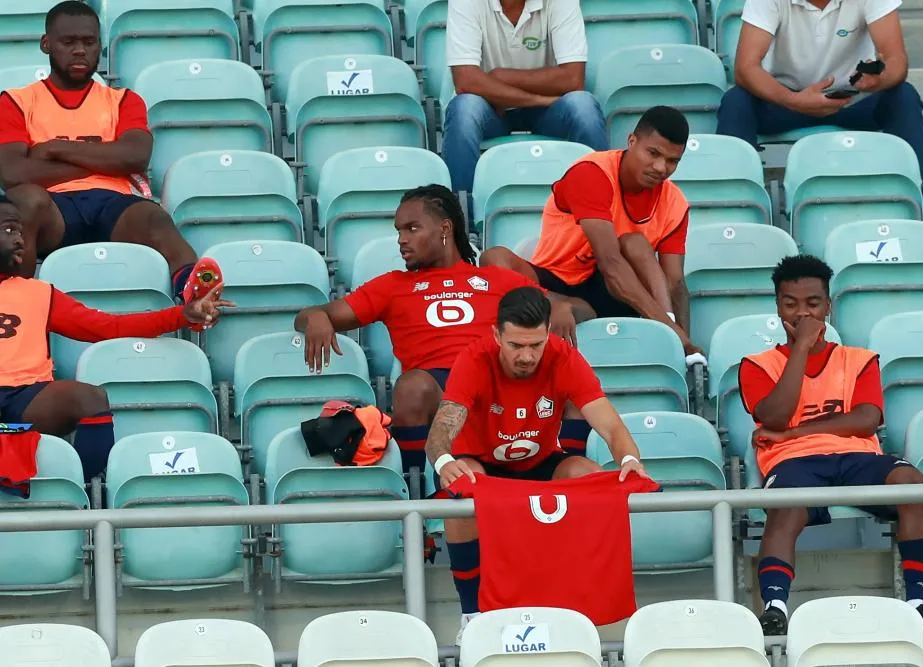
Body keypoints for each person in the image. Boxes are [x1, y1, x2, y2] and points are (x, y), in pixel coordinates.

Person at [294, 185, 586, 478]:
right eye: (399, 231)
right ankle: (417, 489)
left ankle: (567, 479)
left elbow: (585, 310)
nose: (402, 240)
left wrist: (561, 306)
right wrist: (317, 317)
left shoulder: (496, 279)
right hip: (439, 387)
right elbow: (308, 317)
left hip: (498, 383)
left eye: (412, 229)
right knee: (411, 387)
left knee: (568, 380)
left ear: (445, 228)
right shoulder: (393, 286)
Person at [425, 285, 648, 642]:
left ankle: (574, 606)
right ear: (497, 335)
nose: (527, 356)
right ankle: (471, 615)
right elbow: (441, 430)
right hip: (480, 464)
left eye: (535, 345)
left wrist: (630, 458)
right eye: (516, 346)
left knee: (588, 476)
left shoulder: (562, 356)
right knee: (465, 491)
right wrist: (444, 461)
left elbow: (610, 425)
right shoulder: (475, 358)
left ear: (547, 334)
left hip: (539, 462)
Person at [738, 254, 923, 635]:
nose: (802, 314)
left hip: (856, 455)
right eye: (791, 304)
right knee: (784, 509)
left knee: (913, 484)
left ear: (828, 307)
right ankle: (775, 609)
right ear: (777, 306)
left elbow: (866, 419)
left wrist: (798, 431)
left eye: (813, 304)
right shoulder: (757, 364)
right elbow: (775, 418)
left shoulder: (859, 359)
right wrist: (800, 349)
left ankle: (918, 603)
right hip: (793, 462)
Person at [0, 1, 221, 310]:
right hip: (53, 209)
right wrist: (100, 161)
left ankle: (194, 291)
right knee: (25, 201)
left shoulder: (124, 101)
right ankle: (14, 303)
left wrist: (53, 149)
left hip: (111, 204)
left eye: (89, 42)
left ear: (100, 46)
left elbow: (135, 157)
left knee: (154, 217)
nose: (80, 50)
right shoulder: (16, 101)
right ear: (46, 44)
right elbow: (12, 174)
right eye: (69, 42)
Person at [0, 196, 232, 481]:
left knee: (89, 399)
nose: (20, 240)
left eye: (21, 232)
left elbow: (111, 326)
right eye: (9, 230)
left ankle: (84, 494)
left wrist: (184, 316)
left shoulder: (38, 292)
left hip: (26, 397)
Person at [481, 106, 700, 354]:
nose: (661, 168)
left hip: (618, 295)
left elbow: (675, 283)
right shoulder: (592, 173)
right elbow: (611, 263)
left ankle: (673, 348)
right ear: (631, 141)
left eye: (673, 161)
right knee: (493, 258)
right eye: (653, 153)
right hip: (555, 283)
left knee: (635, 243)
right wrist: (673, 331)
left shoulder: (675, 202)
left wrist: (685, 344)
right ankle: (555, 304)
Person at [717, 0, 923, 217]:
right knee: (736, 101)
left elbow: (896, 59)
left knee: (904, 96)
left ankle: (922, 214)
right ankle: (735, 214)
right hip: (787, 100)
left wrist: (880, 79)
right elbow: (745, 68)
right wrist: (794, 100)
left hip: (852, 100)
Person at [443, 0, 608, 194]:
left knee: (583, 106)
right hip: (492, 106)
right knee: (464, 109)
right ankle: (462, 217)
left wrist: (503, 77)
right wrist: (538, 99)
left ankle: (603, 208)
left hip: (546, 110)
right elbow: (466, 81)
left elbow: (573, 78)